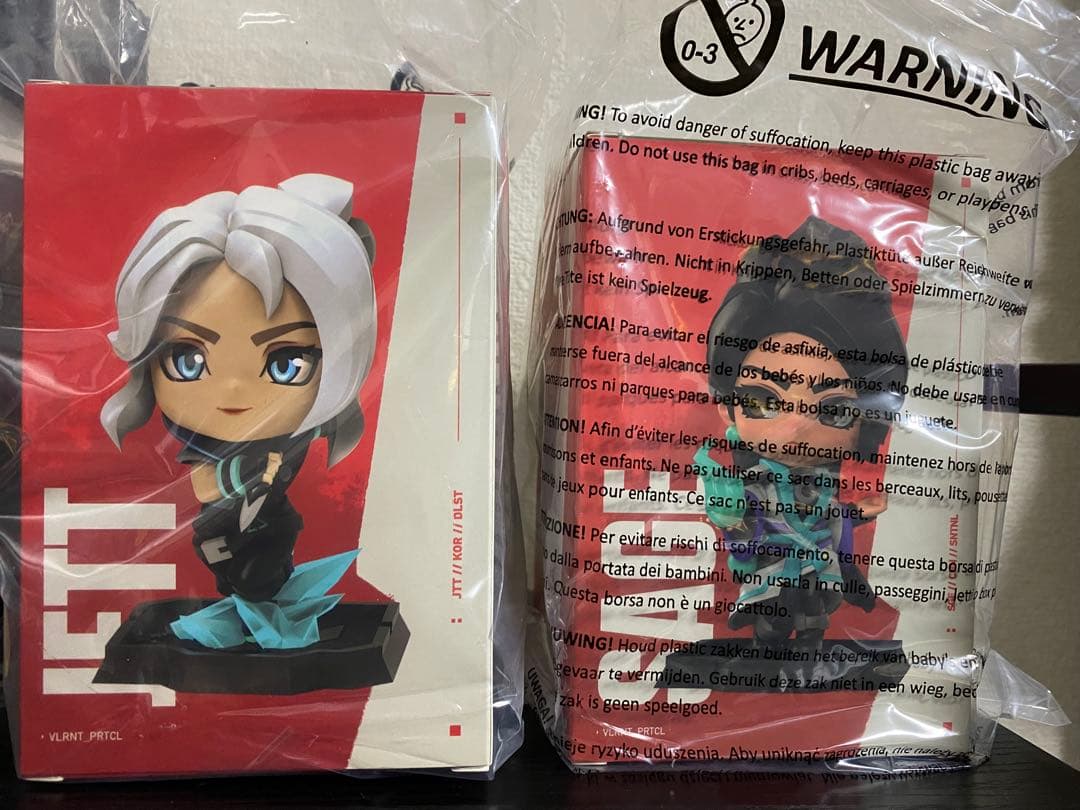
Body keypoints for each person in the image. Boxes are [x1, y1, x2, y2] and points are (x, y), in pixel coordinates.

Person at [100, 173, 377, 648]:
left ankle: (264, 608)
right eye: (187, 360)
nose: (231, 389)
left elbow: (255, 489)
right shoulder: (206, 453)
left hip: (266, 525)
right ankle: (250, 609)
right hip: (225, 527)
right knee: (227, 558)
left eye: (286, 362)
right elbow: (206, 485)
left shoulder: (286, 448)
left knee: (261, 563)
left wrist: (260, 484)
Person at [699, 216, 907, 651]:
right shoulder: (754, 481)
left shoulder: (822, 485)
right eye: (762, 400)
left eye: (834, 410)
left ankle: (807, 653)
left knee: (813, 625)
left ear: (868, 422)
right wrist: (733, 519)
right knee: (771, 628)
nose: (795, 428)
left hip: (816, 571)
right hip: (771, 572)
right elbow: (742, 525)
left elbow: (830, 520)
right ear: (727, 405)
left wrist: (857, 513)